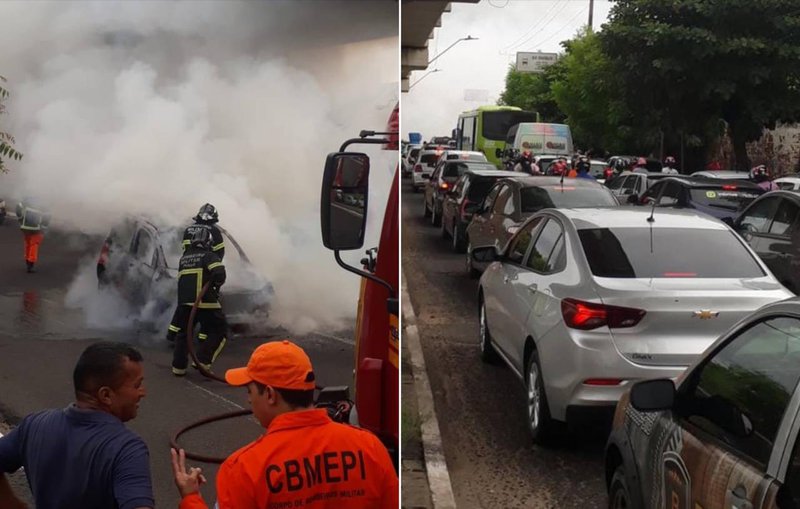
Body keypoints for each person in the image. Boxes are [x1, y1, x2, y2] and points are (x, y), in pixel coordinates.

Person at [171, 340, 398, 509]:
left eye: (250, 391)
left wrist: (191, 499)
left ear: (270, 395)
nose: (248, 400)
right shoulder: (370, 448)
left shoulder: (244, 469)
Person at [0, 342, 153, 509]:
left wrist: (11, 504)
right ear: (106, 395)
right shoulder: (127, 449)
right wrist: (187, 499)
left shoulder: (34, 424)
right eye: (137, 385)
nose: (143, 393)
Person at [168, 227, 228, 375]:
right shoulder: (208, 256)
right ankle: (203, 361)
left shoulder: (184, 258)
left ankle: (179, 368)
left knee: (183, 334)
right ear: (208, 242)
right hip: (206, 302)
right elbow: (219, 272)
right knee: (219, 330)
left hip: (185, 303)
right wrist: (216, 284)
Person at [15, 198, 50, 273]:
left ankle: (27, 260)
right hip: (36, 228)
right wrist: (44, 227)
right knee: (34, 244)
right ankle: (30, 264)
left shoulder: (27, 200)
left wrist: (20, 219)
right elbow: (47, 216)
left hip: (25, 227)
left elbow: (18, 207)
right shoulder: (44, 203)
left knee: (27, 243)